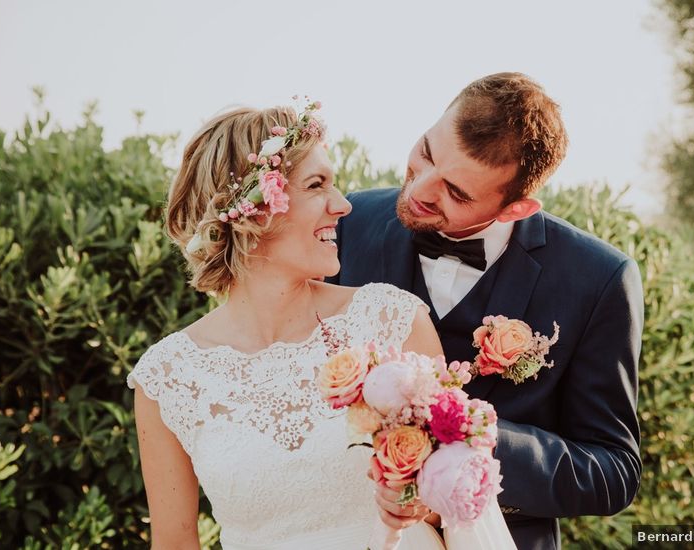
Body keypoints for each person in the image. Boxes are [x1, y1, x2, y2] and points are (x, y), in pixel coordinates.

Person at [127, 102, 514, 549]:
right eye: (317, 185)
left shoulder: (392, 320)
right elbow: (174, 543)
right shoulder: (167, 378)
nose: (343, 205)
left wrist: (411, 503)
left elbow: (456, 502)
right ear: (252, 209)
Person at [331, 72, 644, 550]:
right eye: (426, 153)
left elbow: (613, 471)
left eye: (457, 194)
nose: (420, 190)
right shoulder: (349, 224)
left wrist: (476, 439)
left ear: (516, 209)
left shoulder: (599, 279)